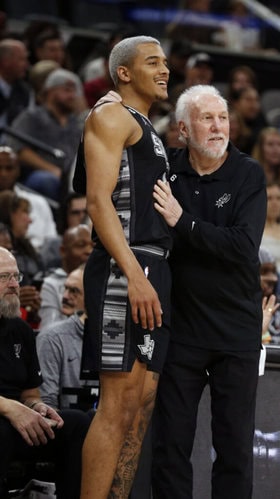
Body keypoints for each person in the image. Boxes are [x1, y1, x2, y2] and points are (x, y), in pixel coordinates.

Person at [151, 84, 267, 498]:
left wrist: (184, 223)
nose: (219, 127)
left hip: (236, 329)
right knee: (171, 444)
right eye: (207, 118)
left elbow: (241, 246)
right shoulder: (164, 172)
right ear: (183, 128)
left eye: (223, 117)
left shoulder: (248, 173)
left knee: (234, 447)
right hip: (180, 326)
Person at [72, 35, 172, 499]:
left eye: (166, 62)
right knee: (116, 405)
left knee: (139, 405)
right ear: (124, 73)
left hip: (151, 264)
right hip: (125, 267)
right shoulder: (110, 115)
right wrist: (133, 274)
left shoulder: (143, 125)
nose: (165, 69)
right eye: (153, 62)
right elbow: (96, 202)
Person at [0, 246, 91, 498]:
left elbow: (30, 393)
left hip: (18, 424)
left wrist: (37, 407)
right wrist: (9, 408)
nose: (13, 285)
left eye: (16, 277)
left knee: (77, 423)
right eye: (3, 277)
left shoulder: (21, 330)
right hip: (5, 423)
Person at [5, 68, 83, 200]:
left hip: (71, 176)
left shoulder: (76, 122)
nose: (72, 96)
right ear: (51, 91)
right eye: (66, 90)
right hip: (37, 175)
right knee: (46, 180)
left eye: (74, 91)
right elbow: (18, 149)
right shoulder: (32, 116)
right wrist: (52, 169)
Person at [36, 264, 94, 410]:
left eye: (74, 291)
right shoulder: (52, 337)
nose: (65, 296)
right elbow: (46, 402)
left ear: (96, 295)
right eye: (65, 288)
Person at [0, 145, 58, 251]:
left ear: (18, 171)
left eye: (9, 168)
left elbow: (52, 242)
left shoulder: (38, 203)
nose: (3, 174)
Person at [39, 224, 93, 329]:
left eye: (93, 246)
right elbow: (49, 331)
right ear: (63, 251)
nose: (89, 251)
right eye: (81, 245)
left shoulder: (100, 280)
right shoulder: (51, 284)